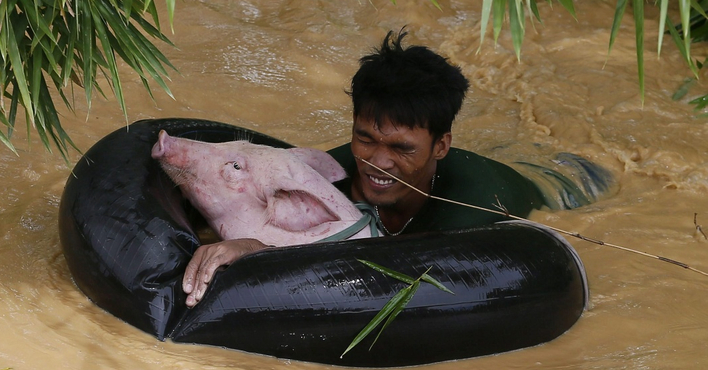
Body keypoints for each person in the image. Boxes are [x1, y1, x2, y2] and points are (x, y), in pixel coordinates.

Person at [181, 29, 546, 307]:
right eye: (366, 138)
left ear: (441, 146)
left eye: (402, 148)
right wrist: (247, 246)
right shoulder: (327, 178)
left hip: (558, 184)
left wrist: (267, 255)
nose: (378, 161)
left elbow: (405, 278)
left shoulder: (471, 207)